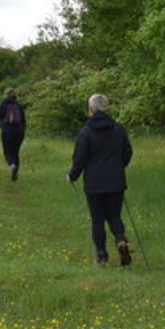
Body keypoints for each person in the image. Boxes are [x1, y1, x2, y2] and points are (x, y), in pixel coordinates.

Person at [67, 93, 133, 266]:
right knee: (114, 216)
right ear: (106, 108)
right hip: (116, 180)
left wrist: (72, 175)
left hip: (94, 183)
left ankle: (102, 255)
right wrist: (119, 167)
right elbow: (127, 152)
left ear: (91, 109)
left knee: (97, 220)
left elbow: (79, 159)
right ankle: (120, 239)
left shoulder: (86, 132)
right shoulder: (118, 129)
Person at [0, 87, 27, 181]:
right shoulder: (18, 105)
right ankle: (16, 174)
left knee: (7, 151)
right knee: (16, 152)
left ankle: (12, 165)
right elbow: (23, 120)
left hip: (7, 130)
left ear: (6, 95)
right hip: (19, 131)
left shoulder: (3, 105)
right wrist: (23, 130)